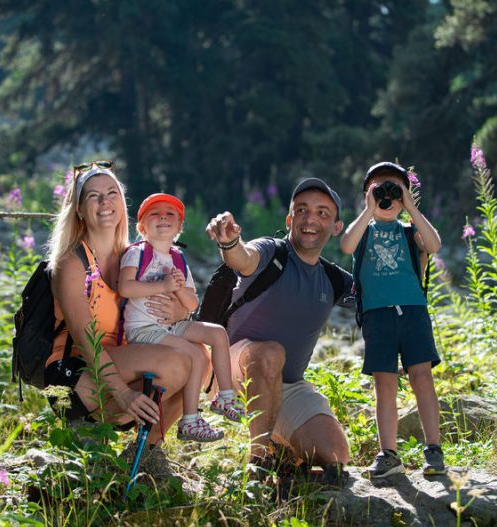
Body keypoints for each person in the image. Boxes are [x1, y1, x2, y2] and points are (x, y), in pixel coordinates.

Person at [45, 160, 200, 472]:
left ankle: (146, 456)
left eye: (111, 193)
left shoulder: (134, 258)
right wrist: (125, 394)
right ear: (78, 209)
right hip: (76, 375)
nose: (105, 203)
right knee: (176, 362)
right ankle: (85, 427)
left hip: (122, 360)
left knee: (199, 358)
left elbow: (177, 311)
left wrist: (178, 309)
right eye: (93, 196)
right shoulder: (71, 263)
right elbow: (86, 341)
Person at [204, 178, 354, 484]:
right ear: (290, 219)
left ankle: (283, 452)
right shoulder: (271, 252)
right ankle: (258, 461)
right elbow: (242, 258)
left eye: (323, 213)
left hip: (286, 383)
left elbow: (384, 298)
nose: (311, 219)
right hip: (230, 368)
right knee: (271, 352)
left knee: (336, 456)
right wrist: (229, 242)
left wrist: (414, 253)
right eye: (302, 210)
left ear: (337, 227)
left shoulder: (333, 279)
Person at [339, 161, 446, 478]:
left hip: (413, 311)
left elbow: (435, 245)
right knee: (384, 385)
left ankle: (434, 449)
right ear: (368, 195)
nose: (388, 196)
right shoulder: (364, 231)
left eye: (394, 191)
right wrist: (369, 209)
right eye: (379, 189)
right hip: (377, 315)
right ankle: (388, 453)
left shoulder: (411, 231)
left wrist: (410, 206)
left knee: (422, 378)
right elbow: (346, 245)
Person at [118, 193, 244, 443]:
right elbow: (125, 288)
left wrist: (176, 290)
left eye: (170, 214)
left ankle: (225, 396)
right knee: (196, 355)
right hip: (144, 329)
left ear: (178, 227)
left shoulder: (177, 257)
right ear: (141, 227)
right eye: (155, 213)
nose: (163, 216)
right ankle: (190, 420)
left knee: (217, 333)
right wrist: (163, 285)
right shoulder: (137, 253)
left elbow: (192, 302)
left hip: (170, 325)